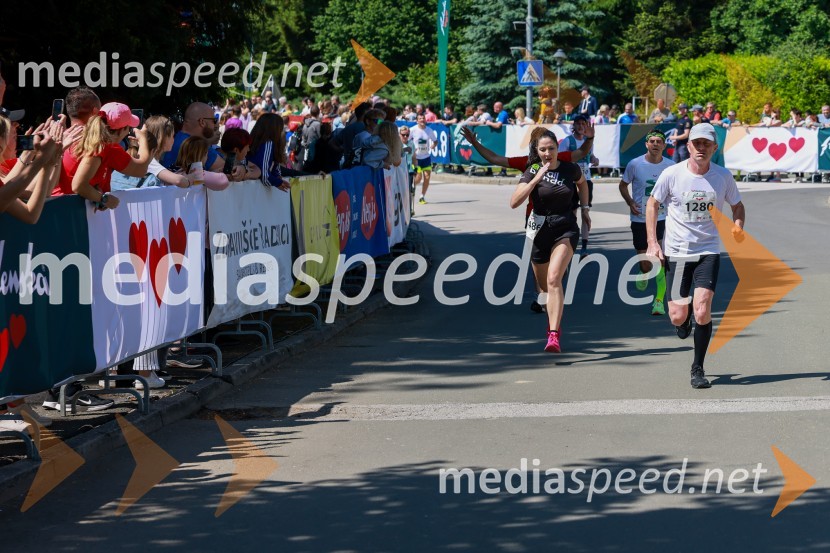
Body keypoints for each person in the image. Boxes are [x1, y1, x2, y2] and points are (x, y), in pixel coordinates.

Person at [646, 123, 745, 389]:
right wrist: (652, 242)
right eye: (696, 143)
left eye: (706, 144)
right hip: (677, 252)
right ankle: (683, 319)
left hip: (708, 250)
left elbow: (737, 205)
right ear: (688, 146)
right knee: (678, 316)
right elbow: (653, 204)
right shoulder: (672, 174)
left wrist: (737, 225)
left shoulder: (723, 176)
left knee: (703, 309)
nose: (701, 148)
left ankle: (698, 368)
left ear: (714, 147)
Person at [510, 130, 591, 353]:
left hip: (565, 227)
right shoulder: (532, 170)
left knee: (555, 279)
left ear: (557, 149)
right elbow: (514, 202)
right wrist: (536, 178)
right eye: (543, 150)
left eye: (551, 148)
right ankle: (550, 316)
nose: (548, 153)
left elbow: (583, 184)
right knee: (545, 289)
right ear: (537, 152)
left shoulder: (569, 169)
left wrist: (584, 209)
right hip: (537, 229)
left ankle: (553, 334)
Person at [618, 130, 675, 315]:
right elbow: (622, 185)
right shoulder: (635, 164)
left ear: (664, 145)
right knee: (646, 263)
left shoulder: (671, 166)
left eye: (659, 141)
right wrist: (630, 202)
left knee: (659, 259)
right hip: (640, 218)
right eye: (652, 141)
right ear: (646, 144)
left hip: (662, 217)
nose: (656, 144)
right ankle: (643, 272)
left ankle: (659, 301)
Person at [559, 115, 599, 255]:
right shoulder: (567, 141)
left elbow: (591, 156)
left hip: (586, 180)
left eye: (584, 123)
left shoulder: (589, 141)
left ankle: (585, 246)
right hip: (571, 181)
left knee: (585, 212)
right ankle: (570, 242)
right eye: (579, 123)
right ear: (574, 125)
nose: (581, 126)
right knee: (572, 213)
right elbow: (560, 160)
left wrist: (594, 159)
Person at [161, 102, 224, 171]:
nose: (214, 125)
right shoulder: (194, 145)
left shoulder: (179, 138)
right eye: (214, 121)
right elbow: (226, 168)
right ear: (202, 122)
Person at [411, 113, 437, 204]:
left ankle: (422, 196)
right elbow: (406, 139)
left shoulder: (429, 130)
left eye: (423, 118)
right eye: (420, 118)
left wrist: (433, 145)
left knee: (427, 177)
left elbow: (435, 141)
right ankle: (412, 188)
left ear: (425, 120)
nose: (422, 120)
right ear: (417, 120)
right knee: (418, 178)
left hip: (426, 157)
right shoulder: (413, 130)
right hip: (416, 158)